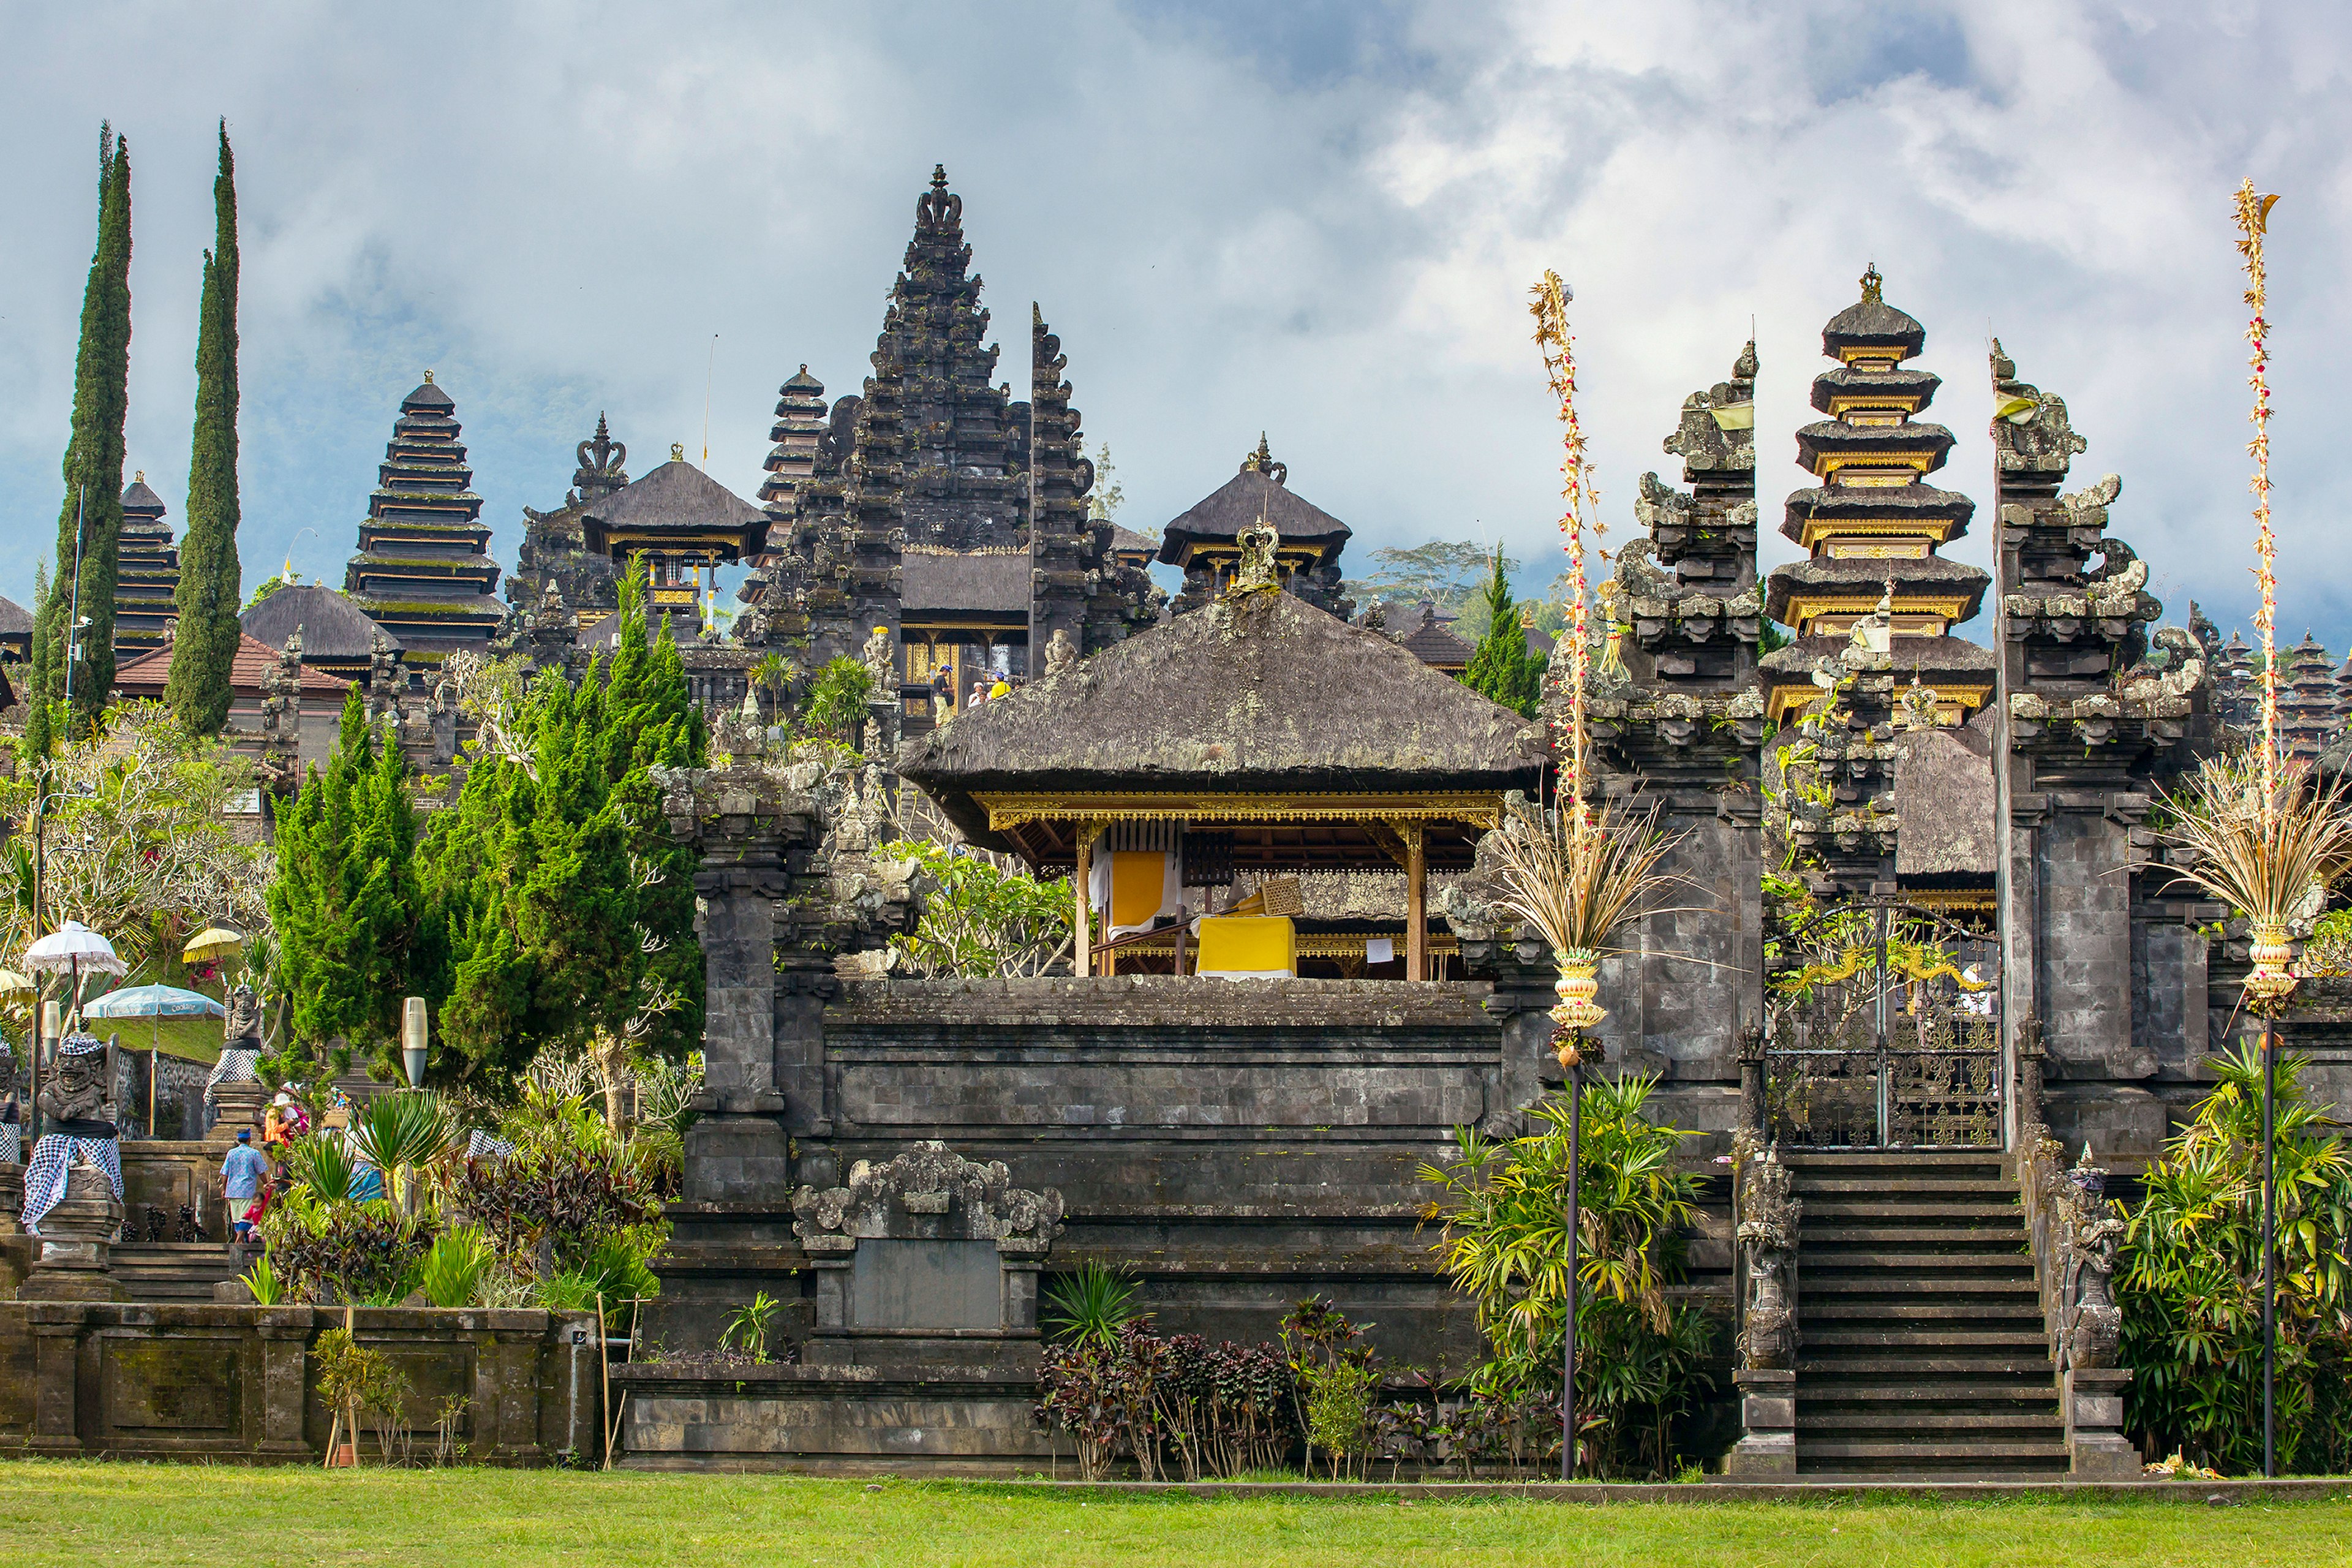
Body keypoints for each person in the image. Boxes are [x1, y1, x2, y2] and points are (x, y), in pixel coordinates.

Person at [221, 1129, 270, 1243]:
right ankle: (239, 1240)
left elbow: (225, 1173)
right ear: (250, 1140)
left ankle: (240, 1240)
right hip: (246, 1190)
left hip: (232, 1190)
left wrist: (224, 1189)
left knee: (236, 1218)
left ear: (238, 1140)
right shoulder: (254, 1153)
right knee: (246, 1217)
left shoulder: (231, 1153)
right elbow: (261, 1171)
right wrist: (266, 1184)